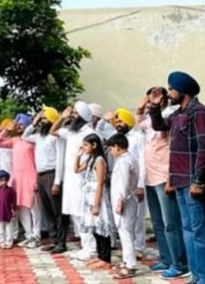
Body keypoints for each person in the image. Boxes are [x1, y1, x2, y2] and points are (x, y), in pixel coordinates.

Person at [149, 71, 205, 284]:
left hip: (194, 182)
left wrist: (198, 180)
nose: (168, 93)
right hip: (180, 181)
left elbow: (204, 148)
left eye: (171, 89)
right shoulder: (178, 113)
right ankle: (197, 277)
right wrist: (154, 106)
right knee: (188, 231)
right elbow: (159, 125)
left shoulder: (199, 113)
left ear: (183, 90)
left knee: (200, 233)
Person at [136, 88, 189, 279]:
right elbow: (139, 123)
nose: (150, 103)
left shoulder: (168, 118)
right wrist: (141, 107)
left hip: (164, 177)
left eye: (155, 99)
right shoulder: (151, 120)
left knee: (171, 223)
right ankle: (166, 259)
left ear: (163, 101)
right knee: (158, 223)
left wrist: (171, 178)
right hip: (150, 177)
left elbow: (173, 150)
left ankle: (180, 264)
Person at [51, 101, 95, 260]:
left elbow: (91, 157)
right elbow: (53, 131)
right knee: (75, 213)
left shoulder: (89, 133)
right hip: (70, 179)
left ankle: (92, 248)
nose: (73, 116)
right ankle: (85, 246)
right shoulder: (70, 132)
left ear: (83, 116)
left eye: (75, 113)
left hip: (82, 178)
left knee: (84, 214)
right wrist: (62, 117)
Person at [22, 107, 67, 254]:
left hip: (52, 175)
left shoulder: (56, 137)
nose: (43, 121)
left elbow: (60, 160)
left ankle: (61, 243)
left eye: (45, 119)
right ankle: (54, 240)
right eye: (42, 119)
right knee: (47, 211)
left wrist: (57, 182)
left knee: (57, 211)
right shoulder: (39, 137)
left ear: (52, 121)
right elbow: (24, 136)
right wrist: (34, 122)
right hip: (40, 176)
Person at [0, 113, 41, 248]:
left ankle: (36, 236)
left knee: (34, 209)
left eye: (22, 124)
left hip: (31, 178)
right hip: (17, 180)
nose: (19, 126)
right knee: (21, 208)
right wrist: (6, 130)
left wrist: (37, 179)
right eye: (18, 124)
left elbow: (38, 161)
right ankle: (29, 235)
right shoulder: (15, 140)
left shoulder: (33, 140)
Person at [76, 133, 115, 270]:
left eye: (86, 145)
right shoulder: (90, 159)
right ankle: (100, 255)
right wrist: (78, 156)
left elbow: (100, 183)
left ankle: (106, 258)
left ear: (94, 145)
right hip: (89, 198)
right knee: (94, 229)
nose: (84, 147)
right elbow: (76, 169)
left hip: (96, 197)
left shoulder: (99, 160)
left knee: (101, 227)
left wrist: (96, 204)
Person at [112, 108, 146, 258]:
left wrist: (141, 185)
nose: (118, 124)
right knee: (124, 219)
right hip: (121, 184)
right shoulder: (117, 138)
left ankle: (138, 246)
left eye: (121, 121)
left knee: (137, 217)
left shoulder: (138, 137)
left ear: (129, 121)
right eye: (117, 121)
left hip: (135, 184)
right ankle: (128, 249)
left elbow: (143, 161)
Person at [107, 133, 139, 280]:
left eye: (111, 148)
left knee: (126, 234)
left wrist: (121, 200)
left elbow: (124, 183)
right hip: (125, 200)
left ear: (117, 147)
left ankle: (130, 265)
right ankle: (127, 261)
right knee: (124, 232)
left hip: (125, 201)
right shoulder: (126, 159)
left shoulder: (125, 161)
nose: (111, 152)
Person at [0, 170, 17, 249]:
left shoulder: (11, 190)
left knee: (9, 228)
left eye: (5, 180)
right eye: (1, 180)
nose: (3, 182)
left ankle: (9, 242)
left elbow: (14, 201)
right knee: (0, 229)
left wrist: (14, 210)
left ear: (7, 180)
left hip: (8, 212)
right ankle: (2, 243)